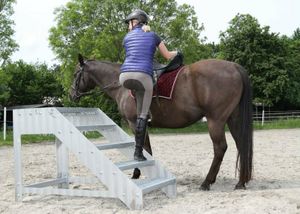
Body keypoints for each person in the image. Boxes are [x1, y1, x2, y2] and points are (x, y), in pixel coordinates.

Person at [119, 9, 177, 161]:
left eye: (129, 23)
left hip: (124, 77)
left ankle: (139, 112)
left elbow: (135, 53)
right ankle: (138, 153)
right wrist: (178, 52)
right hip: (143, 76)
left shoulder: (126, 37)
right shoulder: (153, 35)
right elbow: (167, 55)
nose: (128, 26)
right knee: (143, 115)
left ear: (135, 22)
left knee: (139, 93)